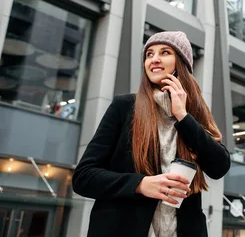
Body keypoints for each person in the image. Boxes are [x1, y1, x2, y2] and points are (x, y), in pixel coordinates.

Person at [73, 31, 230, 237]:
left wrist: (183, 116)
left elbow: (219, 167)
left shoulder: (193, 117)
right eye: (149, 54)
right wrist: (139, 184)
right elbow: (83, 177)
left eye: (165, 52)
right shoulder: (125, 107)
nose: (154, 59)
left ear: (181, 64)